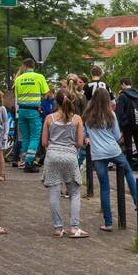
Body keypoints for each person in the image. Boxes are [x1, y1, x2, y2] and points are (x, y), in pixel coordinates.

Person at [82, 87, 138, 232]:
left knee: (105, 187)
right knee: (128, 172)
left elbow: (84, 134)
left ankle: (108, 223)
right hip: (113, 150)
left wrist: (91, 138)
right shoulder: (110, 114)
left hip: (98, 154)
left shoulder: (87, 115)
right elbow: (116, 135)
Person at [41, 89, 87, 238]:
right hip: (70, 156)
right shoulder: (77, 119)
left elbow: (43, 142)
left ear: (56, 102)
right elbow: (79, 143)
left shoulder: (49, 118)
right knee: (74, 192)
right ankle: (74, 227)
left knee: (54, 192)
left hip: (52, 156)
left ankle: (57, 228)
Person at [14, 58, 50, 173]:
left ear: (24, 66)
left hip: (22, 111)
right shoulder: (39, 77)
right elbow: (46, 93)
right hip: (33, 111)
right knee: (34, 137)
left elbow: (17, 95)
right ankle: (29, 163)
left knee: (25, 137)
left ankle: (24, 161)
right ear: (33, 66)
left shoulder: (18, 79)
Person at [115, 77, 138, 169]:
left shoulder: (123, 96)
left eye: (121, 85)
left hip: (127, 124)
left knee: (128, 146)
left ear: (123, 84)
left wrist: (120, 125)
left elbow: (119, 112)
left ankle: (129, 167)